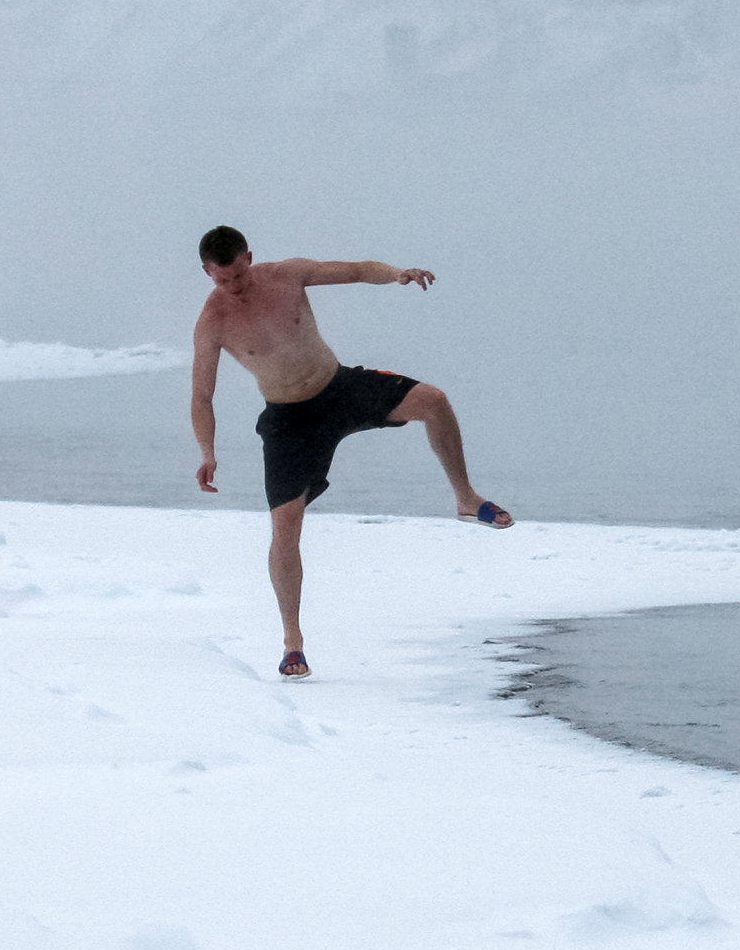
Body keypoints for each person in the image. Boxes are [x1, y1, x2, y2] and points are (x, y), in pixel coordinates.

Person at [189, 224, 511, 678]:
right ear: (208, 272)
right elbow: (201, 395)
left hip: (339, 389)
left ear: (249, 257)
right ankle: (292, 642)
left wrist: (397, 273)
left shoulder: (287, 274)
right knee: (285, 529)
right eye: (223, 280)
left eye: (239, 275)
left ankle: (465, 498)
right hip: (288, 423)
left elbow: (357, 270)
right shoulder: (212, 322)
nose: (234, 287)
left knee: (433, 401)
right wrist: (207, 451)